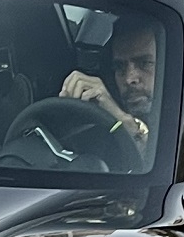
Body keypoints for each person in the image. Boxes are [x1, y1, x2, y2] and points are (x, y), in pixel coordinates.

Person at [61, 11, 163, 146]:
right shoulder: (100, 134)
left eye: (144, 64)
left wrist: (126, 123)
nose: (129, 79)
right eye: (120, 67)